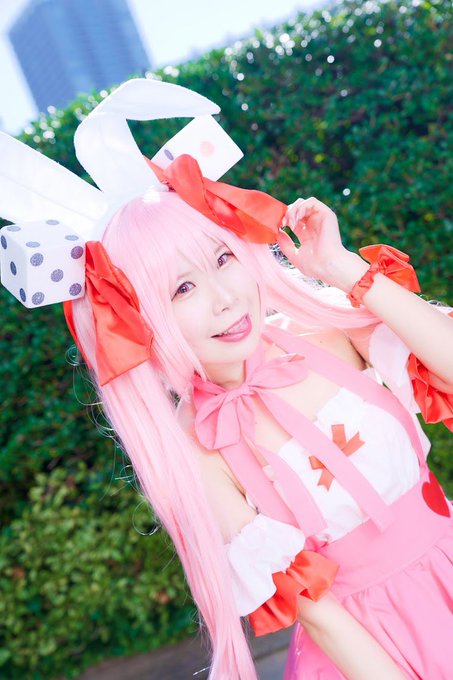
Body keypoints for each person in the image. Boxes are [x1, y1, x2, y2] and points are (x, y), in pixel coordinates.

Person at [1, 79, 452, 680]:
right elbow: (318, 614)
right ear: (138, 318)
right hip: (371, 655)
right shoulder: (192, 449)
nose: (224, 299)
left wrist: (342, 269)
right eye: (182, 288)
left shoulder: (323, 331)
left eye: (222, 259)